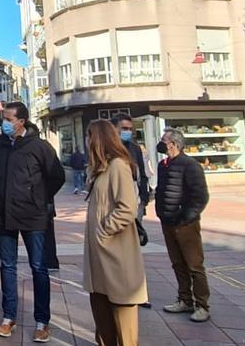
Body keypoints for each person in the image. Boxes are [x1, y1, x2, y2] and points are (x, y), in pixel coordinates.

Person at [0, 102, 66, 342]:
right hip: (4, 215)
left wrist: (38, 198)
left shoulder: (39, 147)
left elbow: (57, 176)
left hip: (33, 216)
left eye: (8, 118)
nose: (5, 122)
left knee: (38, 268)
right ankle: (8, 317)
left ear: (21, 121)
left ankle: (42, 321)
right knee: (8, 267)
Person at [81, 120, 148, 346]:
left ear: (99, 138)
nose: (87, 140)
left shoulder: (118, 165)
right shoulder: (100, 168)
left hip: (115, 253)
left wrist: (104, 231)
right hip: (100, 257)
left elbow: (127, 208)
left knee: (123, 319)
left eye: (89, 135)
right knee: (102, 317)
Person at [154, 128, 211, 323]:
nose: (161, 143)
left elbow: (200, 196)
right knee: (178, 263)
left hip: (185, 224)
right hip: (168, 221)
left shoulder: (190, 165)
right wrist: (161, 213)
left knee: (194, 265)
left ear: (174, 144)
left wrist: (187, 216)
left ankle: (202, 304)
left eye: (164, 140)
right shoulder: (164, 165)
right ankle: (184, 299)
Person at [113, 113, 152, 309]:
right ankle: (120, 289)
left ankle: (138, 292)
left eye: (130, 128)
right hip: (116, 206)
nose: (127, 132)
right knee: (117, 251)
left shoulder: (135, 150)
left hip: (134, 205)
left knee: (133, 250)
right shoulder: (110, 150)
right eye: (124, 128)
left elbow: (142, 176)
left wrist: (143, 201)